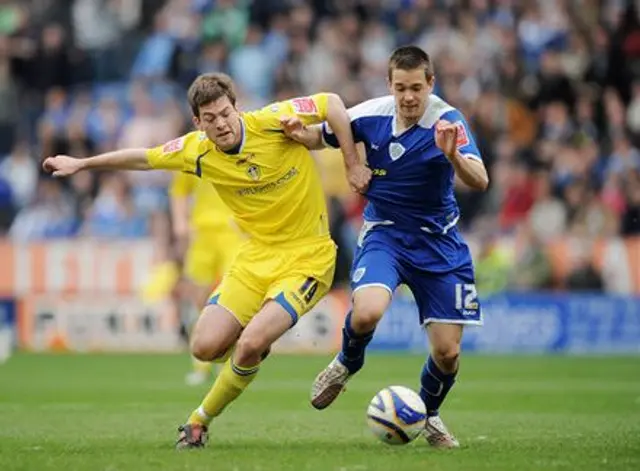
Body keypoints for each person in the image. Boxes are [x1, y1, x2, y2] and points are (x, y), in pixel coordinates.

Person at [43, 72, 370, 449]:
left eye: (225, 113)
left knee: (248, 344)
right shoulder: (197, 149)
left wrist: (350, 163)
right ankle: (249, 352)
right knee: (203, 347)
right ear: (198, 123)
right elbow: (144, 159)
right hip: (255, 258)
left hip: (308, 258)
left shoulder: (271, 122)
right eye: (210, 118)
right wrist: (82, 164)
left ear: (237, 108)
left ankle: (198, 421)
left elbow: (331, 101)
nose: (221, 123)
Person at [281, 45, 489, 448]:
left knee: (448, 354)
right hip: (386, 234)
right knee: (367, 313)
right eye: (400, 88)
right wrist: (297, 133)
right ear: (389, 85)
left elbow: (480, 179)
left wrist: (453, 158)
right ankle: (346, 363)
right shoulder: (370, 114)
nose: (409, 97)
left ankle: (428, 414)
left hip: (439, 244)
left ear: (431, 83)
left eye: (416, 87)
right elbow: (319, 136)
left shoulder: (447, 122)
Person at [169, 172, 242, 386]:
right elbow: (179, 190)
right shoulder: (193, 150)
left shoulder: (236, 146)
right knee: (199, 299)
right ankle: (201, 365)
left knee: (232, 299)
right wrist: (180, 222)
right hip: (202, 233)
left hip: (234, 231)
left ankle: (225, 361)